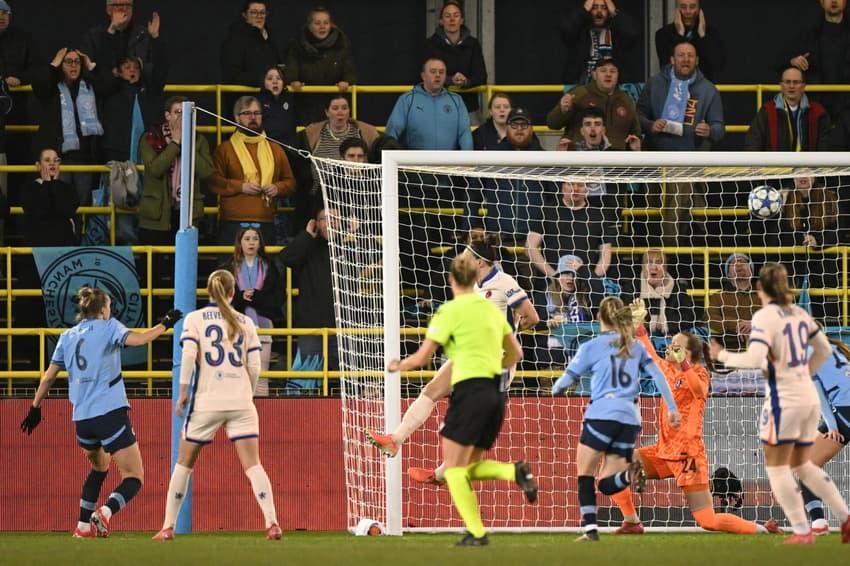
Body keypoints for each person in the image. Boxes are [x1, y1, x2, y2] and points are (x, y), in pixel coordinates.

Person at [384, 253, 536, 546]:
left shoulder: (449, 311)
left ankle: (480, 527)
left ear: (452, 279)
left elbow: (422, 358)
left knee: (455, 471)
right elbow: (516, 354)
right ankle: (512, 475)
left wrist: (398, 365)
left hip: (469, 394)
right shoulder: (491, 311)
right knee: (463, 467)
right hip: (495, 394)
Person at [610, 299, 782, 536]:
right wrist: (639, 327)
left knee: (707, 520)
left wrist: (684, 365)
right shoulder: (666, 370)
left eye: (675, 346)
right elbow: (648, 351)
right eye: (670, 344)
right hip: (663, 451)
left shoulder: (699, 373)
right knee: (617, 462)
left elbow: (699, 391)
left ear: (687, 353)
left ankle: (763, 530)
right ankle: (632, 522)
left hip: (688, 456)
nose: (669, 348)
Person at [366, 240, 539, 476]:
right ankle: (395, 440)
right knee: (432, 390)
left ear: (480, 262)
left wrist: (509, 334)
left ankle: (440, 475)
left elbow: (532, 317)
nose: (461, 259)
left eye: (466, 256)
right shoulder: (473, 287)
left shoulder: (504, 282)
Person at [19, 287, 181, 537]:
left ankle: (83, 526)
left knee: (100, 467)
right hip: (109, 413)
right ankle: (105, 512)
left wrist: (35, 408)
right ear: (104, 309)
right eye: (109, 307)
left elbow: (49, 377)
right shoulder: (109, 327)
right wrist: (165, 324)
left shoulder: (67, 336)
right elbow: (139, 340)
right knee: (134, 476)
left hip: (82, 419)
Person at [709, 263, 850, 544]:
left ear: (761, 288)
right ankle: (822, 524)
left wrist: (721, 355)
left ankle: (813, 527)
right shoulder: (803, 319)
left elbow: (761, 360)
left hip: (837, 409)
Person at [152, 270, 281, 541]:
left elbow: (189, 356)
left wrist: (183, 392)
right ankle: (272, 522)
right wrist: (247, 392)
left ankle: (167, 526)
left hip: (207, 401)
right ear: (233, 292)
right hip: (241, 401)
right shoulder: (246, 321)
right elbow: (255, 366)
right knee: (253, 464)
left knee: (184, 464)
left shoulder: (195, 319)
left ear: (208, 291)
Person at [552, 296, 681, 541]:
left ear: (598, 317)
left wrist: (557, 389)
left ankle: (591, 530)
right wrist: (673, 408)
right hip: (629, 420)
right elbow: (658, 376)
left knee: (585, 475)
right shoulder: (635, 346)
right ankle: (629, 474)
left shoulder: (591, 346)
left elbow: (565, 381)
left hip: (601, 415)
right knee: (606, 483)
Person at [637, 41, 723, 246]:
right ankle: (656, 254)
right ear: (672, 60)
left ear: (697, 60)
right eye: (681, 55)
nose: (686, 59)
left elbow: (720, 128)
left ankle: (670, 253)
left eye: (690, 55)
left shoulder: (708, 90)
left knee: (678, 200)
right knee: (651, 210)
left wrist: (710, 130)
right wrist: (650, 125)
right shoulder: (655, 83)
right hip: (654, 158)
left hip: (688, 160)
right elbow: (638, 115)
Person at [209, 95, 296, 245]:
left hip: (266, 222)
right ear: (237, 118)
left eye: (257, 113)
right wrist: (241, 186)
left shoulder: (275, 149)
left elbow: (291, 183)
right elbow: (213, 181)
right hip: (232, 224)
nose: (253, 117)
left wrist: (277, 188)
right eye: (247, 113)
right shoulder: (225, 149)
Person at [31, 47, 105, 206]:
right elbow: (39, 84)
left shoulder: (89, 86)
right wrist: (54, 63)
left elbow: (107, 86)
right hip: (60, 157)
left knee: (83, 205)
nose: (73, 65)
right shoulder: (52, 88)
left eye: (77, 62)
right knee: (59, 202)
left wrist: (90, 65)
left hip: (84, 157)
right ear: (61, 65)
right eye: (69, 61)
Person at [138, 96, 214, 245]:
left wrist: (187, 143)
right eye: (178, 112)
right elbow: (155, 169)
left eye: (186, 112)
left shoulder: (199, 140)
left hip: (187, 213)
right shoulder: (151, 137)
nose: (182, 116)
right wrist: (175, 143)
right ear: (168, 115)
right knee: (156, 258)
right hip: (157, 214)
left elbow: (206, 172)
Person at [526, 180, 615, 305]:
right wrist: (554, 276)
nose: (575, 189)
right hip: (550, 286)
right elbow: (530, 247)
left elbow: (606, 253)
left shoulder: (598, 215)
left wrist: (591, 279)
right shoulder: (547, 211)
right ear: (563, 187)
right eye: (570, 184)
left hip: (584, 290)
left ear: (587, 189)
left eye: (580, 185)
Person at [224, 226, 282, 397]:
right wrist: (241, 297)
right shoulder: (228, 267)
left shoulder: (270, 266)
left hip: (264, 323)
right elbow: (222, 297)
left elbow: (278, 296)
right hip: (235, 325)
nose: (251, 243)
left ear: (260, 243)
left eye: (255, 239)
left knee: (261, 375)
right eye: (247, 239)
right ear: (240, 243)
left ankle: (262, 411)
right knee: (236, 374)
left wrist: (256, 296)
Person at [805, 337, 850, 535]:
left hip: (844, 411)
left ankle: (818, 523)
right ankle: (819, 523)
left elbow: (821, 398)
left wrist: (832, 427)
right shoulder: (835, 349)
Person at [547, 57, 641, 151]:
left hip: (616, 157)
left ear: (618, 75)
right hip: (581, 155)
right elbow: (552, 124)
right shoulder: (579, 94)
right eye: (603, 71)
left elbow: (636, 134)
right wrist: (563, 110)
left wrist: (634, 147)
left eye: (612, 71)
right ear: (594, 75)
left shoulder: (626, 100)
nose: (608, 74)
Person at [285, 6, 357, 125]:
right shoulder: (297, 44)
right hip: (305, 105)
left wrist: (347, 81)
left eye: (326, 23)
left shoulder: (342, 43)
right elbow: (291, 70)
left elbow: (350, 71)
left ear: (331, 25)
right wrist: (293, 80)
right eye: (317, 23)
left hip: (334, 105)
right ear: (310, 26)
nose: (322, 26)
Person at [385, 57, 473, 150]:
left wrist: (468, 157)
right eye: (433, 71)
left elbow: (465, 133)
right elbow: (392, 132)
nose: (438, 75)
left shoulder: (456, 100)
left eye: (441, 72)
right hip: (415, 159)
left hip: (448, 159)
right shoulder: (407, 100)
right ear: (423, 76)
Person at [783, 0, 850, 118]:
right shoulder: (808, 36)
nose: (834, 1)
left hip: (847, 109)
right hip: (815, 110)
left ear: (845, 2)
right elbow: (781, 62)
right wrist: (793, 61)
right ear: (822, 2)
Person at [423, 0, 487, 118]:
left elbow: (481, 76)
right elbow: (425, 76)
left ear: (462, 20)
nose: (452, 19)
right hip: (437, 107)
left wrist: (466, 82)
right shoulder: (430, 44)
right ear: (441, 21)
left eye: (456, 15)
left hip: (468, 108)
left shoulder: (473, 44)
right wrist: (449, 80)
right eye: (447, 16)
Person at [745, 67, 831, 152]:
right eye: (787, 82)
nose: (791, 86)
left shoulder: (818, 113)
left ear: (803, 86)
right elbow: (753, 143)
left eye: (796, 82)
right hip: (776, 161)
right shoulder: (767, 111)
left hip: (807, 161)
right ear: (781, 85)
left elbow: (824, 148)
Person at [559, 0, 638, 84]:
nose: (599, 11)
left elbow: (633, 33)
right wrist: (583, 10)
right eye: (594, 8)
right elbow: (566, 30)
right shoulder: (580, 31)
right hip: (582, 87)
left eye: (604, 8)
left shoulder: (617, 32)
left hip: (613, 88)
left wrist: (615, 12)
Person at [625, 249, 699, 336]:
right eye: (649, 262)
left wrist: (666, 324)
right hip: (640, 338)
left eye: (658, 262)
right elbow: (625, 316)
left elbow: (689, 317)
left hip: (671, 338)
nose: (654, 267)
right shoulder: (631, 288)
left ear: (665, 268)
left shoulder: (678, 289)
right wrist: (649, 323)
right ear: (643, 267)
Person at [81, 1, 162, 78]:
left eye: (128, 5)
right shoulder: (93, 36)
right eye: (118, 5)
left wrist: (155, 38)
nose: (124, 8)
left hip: (138, 86)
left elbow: (157, 70)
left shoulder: (144, 34)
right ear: (108, 10)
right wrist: (111, 31)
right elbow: (90, 70)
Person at [21, 148, 79, 247]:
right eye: (47, 160)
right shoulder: (29, 189)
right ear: (38, 166)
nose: (52, 164)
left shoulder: (67, 188)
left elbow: (66, 211)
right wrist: (47, 184)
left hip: (63, 243)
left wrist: (54, 184)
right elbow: (39, 212)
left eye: (56, 160)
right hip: (38, 244)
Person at [655, 0, 724, 82]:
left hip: (704, 88)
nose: (688, 11)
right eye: (683, 7)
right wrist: (680, 36)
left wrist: (703, 37)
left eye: (692, 7)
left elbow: (718, 65)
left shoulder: (711, 33)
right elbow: (667, 68)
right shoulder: (663, 34)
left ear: (699, 9)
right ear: (677, 9)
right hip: (675, 87)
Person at [220, 1, 282, 87]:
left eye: (262, 12)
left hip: (268, 93)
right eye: (254, 12)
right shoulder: (235, 39)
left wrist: (286, 79)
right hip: (245, 94)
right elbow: (232, 74)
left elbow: (279, 65)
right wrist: (263, 81)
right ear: (244, 15)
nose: (259, 16)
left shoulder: (271, 39)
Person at [707, 253, 759, 351]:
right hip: (728, 350)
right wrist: (737, 324)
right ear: (728, 274)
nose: (738, 264)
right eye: (733, 263)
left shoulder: (764, 294)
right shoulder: (718, 296)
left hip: (761, 349)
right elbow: (710, 319)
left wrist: (754, 324)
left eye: (742, 261)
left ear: (751, 270)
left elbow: (775, 317)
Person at [301, 95, 379, 159]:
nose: (340, 112)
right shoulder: (312, 133)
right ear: (327, 112)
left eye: (344, 108)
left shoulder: (366, 132)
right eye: (335, 108)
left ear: (349, 111)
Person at [257, 66, 296, 146]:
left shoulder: (290, 100)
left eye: (278, 78)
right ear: (263, 82)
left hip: (287, 148)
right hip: (265, 147)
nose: (275, 81)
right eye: (270, 79)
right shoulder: (257, 102)